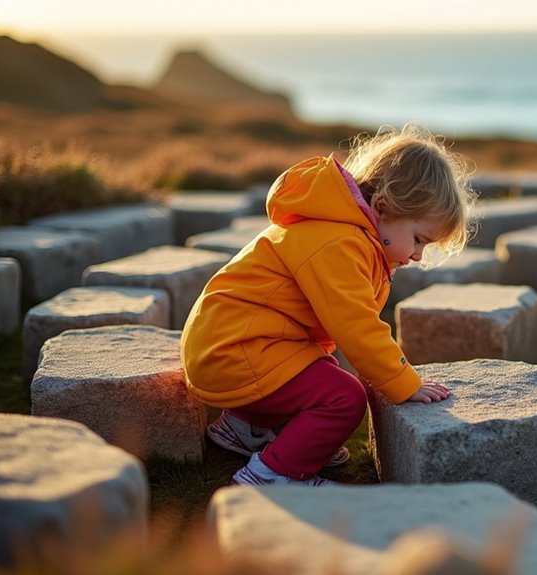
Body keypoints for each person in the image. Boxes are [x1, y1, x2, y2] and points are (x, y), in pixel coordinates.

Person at [180, 125, 477, 487]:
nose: (417, 255)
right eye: (418, 239)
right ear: (382, 208)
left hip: (228, 343)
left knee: (319, 368)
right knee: (343, 395)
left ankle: (245, 427)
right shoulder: (339, 242)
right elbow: (356, 325)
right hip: (234, 350)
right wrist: (403, 381)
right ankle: (273, 474)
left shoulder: (344, 230)